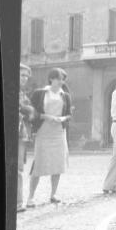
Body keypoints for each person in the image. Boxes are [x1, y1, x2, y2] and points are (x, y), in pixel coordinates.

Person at [27, 68, 72, 207]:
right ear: (51, 79)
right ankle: (30, 197)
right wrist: (45, 116)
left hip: (58, 132)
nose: (61, 82)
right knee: (39, 164)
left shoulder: (65, 96)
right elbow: (31, 111)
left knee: (58, 163)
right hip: (44, 131)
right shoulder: (40, 93)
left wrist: (62, 118)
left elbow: (69, 114)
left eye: (63, 79)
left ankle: (53, 194)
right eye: (59, 78)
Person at [17, 64, 35, 212]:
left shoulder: (23, 94)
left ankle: (17, 202)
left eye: (26, 76)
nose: (25, 79)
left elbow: (30, 112)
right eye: (22, 75)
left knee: (18, 168)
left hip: (21, 134)